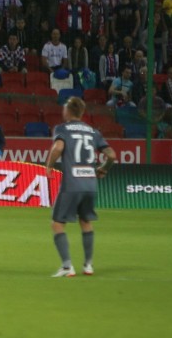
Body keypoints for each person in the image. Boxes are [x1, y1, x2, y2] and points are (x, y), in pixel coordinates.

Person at [44, 97, 116, 278]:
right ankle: (88, 265)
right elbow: (112, 155)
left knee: (57, 224)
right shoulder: (93, 132)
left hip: (72, 184)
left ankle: (67, 266)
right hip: (90, 184)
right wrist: (104, 169)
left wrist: (49, 166)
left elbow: (58, 148)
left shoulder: (62, 129)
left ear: (68, 111)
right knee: (86, 222)